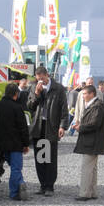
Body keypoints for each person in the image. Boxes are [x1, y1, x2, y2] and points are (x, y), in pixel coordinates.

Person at [0, 82, 32, 201]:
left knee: (14, 168)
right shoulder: (17, 108)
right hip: (16, 144)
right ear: (16, 94)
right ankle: (15, 192)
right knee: (16, 169)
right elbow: (23, 128)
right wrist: (26, 144)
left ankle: (19, 186)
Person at [26, 66, 66, 196]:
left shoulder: (58, 88)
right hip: (38, 126)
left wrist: (62, 126)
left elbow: (64, 109)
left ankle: (50, 186)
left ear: (47, 75)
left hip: (51, 126)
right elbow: (30, 106)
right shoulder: (34, 87)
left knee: (50, 158)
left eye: (42, 79)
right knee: (40, 157)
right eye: (38, 79)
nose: (40, 82)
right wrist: (37, 94)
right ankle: (42, 185)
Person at [70, 83, 104, 200]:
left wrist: (80, 127)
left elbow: (94, 123)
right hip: (91, 140)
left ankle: (84, 193)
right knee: (92, 168)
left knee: (86, 168)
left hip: (92, 141)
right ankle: (92, 192)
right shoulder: (94, 105)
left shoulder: (97, 106)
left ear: (92, 94)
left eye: (85, 94)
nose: (83, 96)